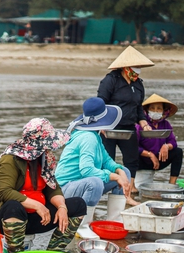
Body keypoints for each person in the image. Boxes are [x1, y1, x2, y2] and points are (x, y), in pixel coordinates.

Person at [0, 118, 87, 253]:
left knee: (78, 204)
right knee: (14, 206)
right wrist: (38, 206)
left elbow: (52, 187)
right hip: (10, 217)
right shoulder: (10, 159)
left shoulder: (43, 158)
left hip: (40, 218)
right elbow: (4, 192)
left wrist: (62, 207)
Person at [56, 97, 137, 239]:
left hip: (80, 183)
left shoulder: (95, 136)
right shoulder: (88, 138)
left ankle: (114, 221)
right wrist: (114, 177)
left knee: (125, 171)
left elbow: (107, 161)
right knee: (96, 182)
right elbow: (86, 170)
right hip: (65, 188)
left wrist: (119, 172)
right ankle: (81, 225)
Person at [97, 46, 154, 193]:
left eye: (140, 67)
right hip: (109, 128)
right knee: (108, 159)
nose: (138, 70)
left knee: (132, 158)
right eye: (135, 67)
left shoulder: (138, 84)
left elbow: (138, 107)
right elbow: (101, 102)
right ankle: (108, 187)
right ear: (125, 67)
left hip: (128, 128)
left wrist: (144, 123)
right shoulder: (110, 80)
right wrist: (101, 123)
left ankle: (130, 187)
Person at [134, 94, 183, 189]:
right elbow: (133, 147)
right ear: (147, 110)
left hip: (159, 159)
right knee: (132, 154)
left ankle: (172, 185)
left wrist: (166, 146)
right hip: (143, 160)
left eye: (159, 108)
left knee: (178, 152)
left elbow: (173, 142)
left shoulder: (166, 124)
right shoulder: (141, 125)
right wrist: (150, 155)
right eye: (152, 108)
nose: (155, 111)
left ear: (163, 111)